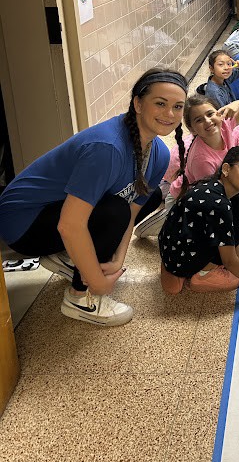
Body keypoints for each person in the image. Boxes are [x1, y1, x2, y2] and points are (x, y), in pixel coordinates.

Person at [0, 68, 188, 326]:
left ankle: (70, 257)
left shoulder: (158, 153)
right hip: (22, 223)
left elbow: (133, 213)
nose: (170, 114)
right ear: (138, 104)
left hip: (56, 213)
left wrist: (117, 260)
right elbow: (70, 224)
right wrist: (98, 283)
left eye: (177, 106)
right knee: (114, 211)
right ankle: (80, 298)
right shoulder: (106, 148)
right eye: (160, 103)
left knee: (150, 197)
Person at [133, 94, 239, 242]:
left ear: (220, 113)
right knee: (196, 230)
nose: (208, 121)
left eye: (210, 114)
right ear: (193, 130)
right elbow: (214, 199)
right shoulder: (201, 160)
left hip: (214, 190)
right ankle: (159, 222)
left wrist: (237, 104)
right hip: (185, 200)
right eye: (199, 120)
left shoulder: (225, 125)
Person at [158, 146, 239, 296]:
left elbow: (232, 239)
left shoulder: (213, 186)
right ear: (226, 169)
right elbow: (229, 260)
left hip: (171, 250)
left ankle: (179, 274)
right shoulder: (219, 205)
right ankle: (203, 274)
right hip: (182, 259)